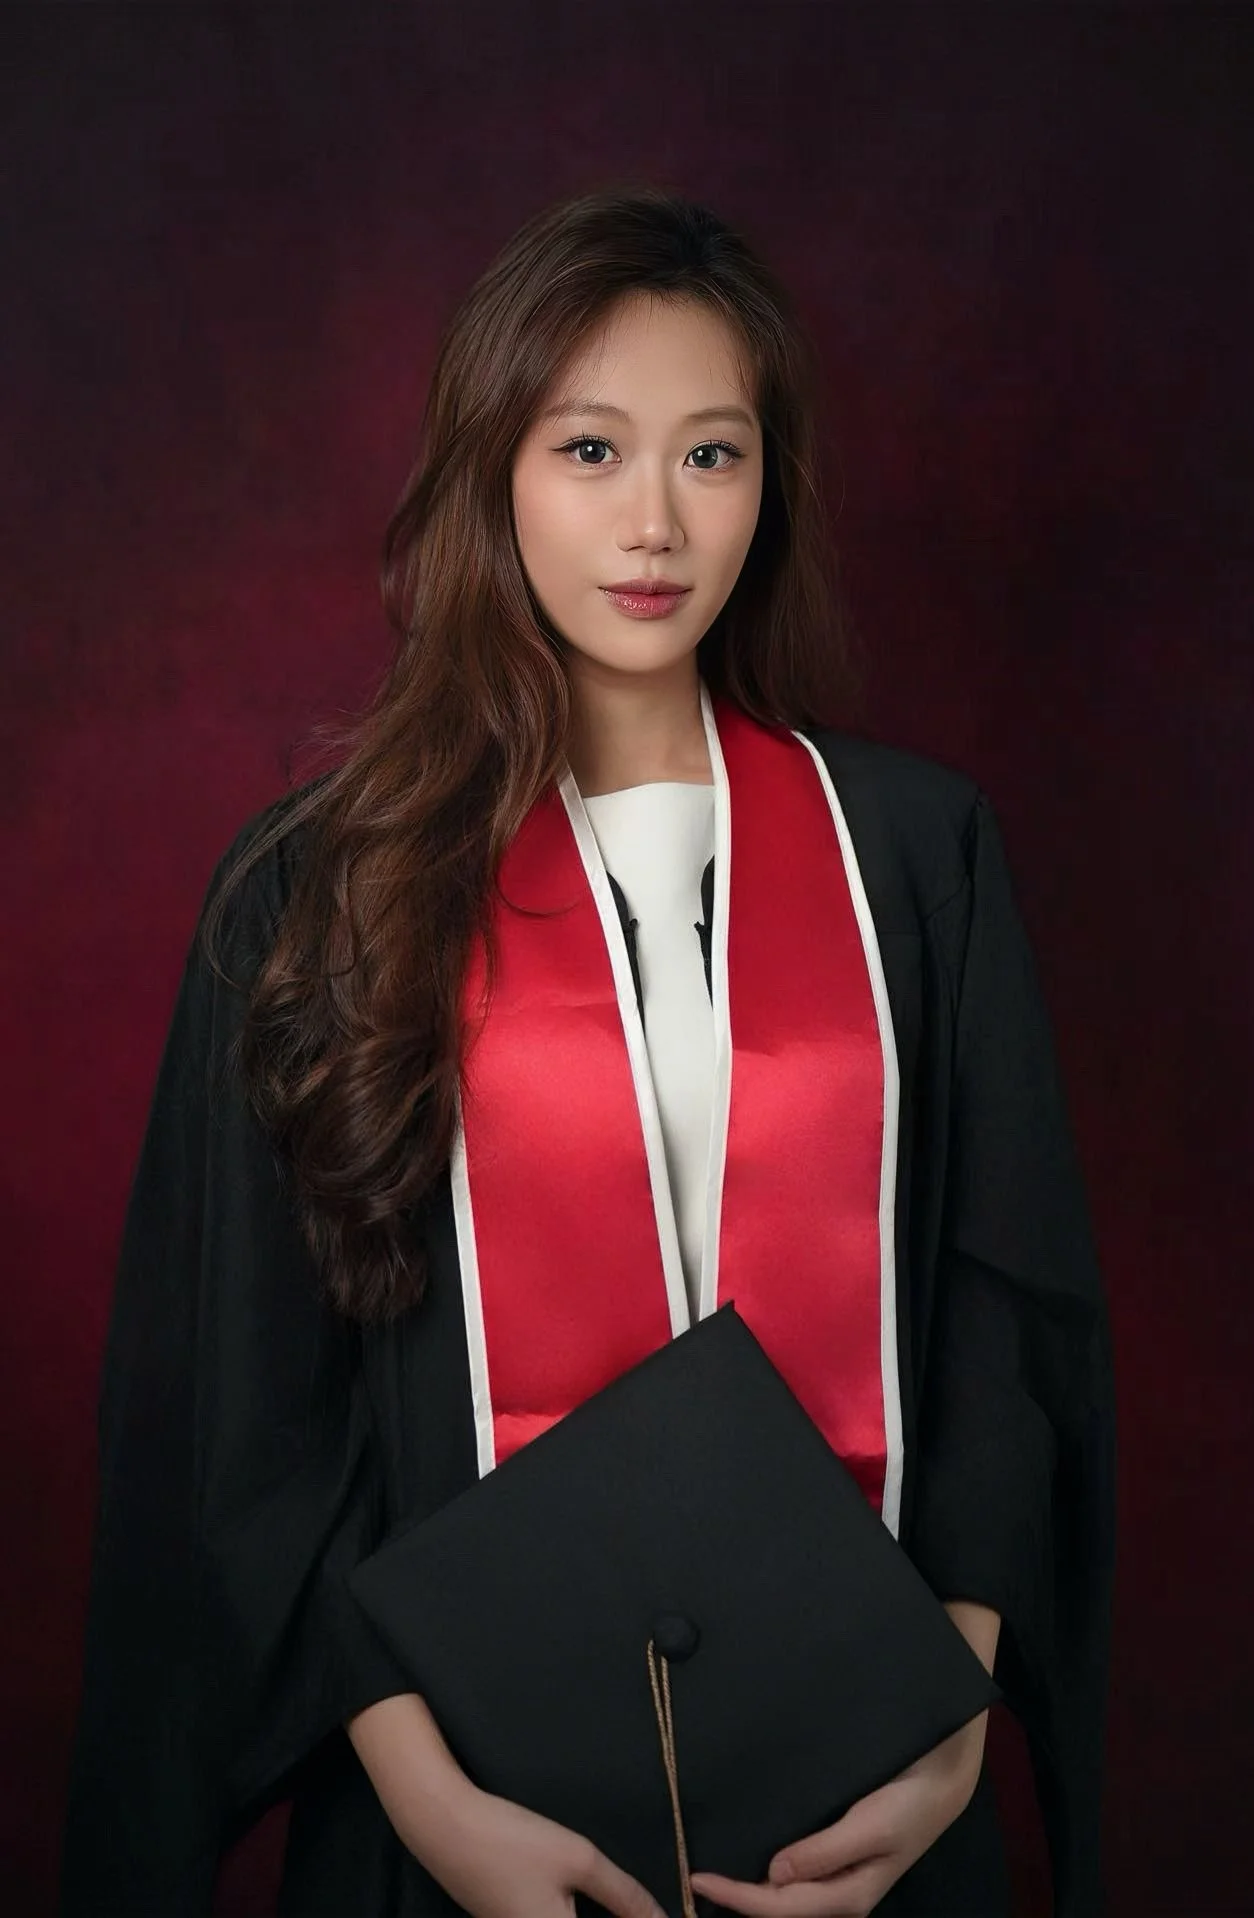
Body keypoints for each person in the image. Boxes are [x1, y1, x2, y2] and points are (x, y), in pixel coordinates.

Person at [58, 185, 1116, 1918]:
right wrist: (431, 1801)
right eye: (590, 449)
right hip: (461, 1809)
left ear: (768, 489)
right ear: (493, 472)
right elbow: (251, 1417)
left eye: (712, 456)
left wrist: (946, 1727)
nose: (654, 524)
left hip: (862, 1799)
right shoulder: (317, 891)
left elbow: (996, 1323)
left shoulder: (913, 863)